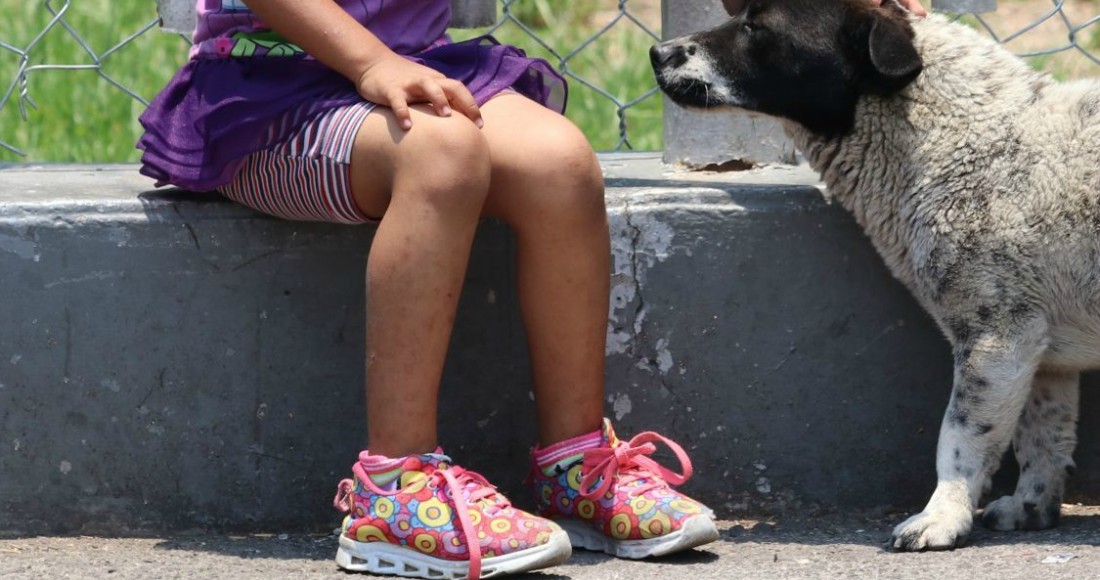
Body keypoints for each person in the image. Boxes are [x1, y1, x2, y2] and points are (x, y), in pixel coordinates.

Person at [137, 1, 720, 579]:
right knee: (444, 153)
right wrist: (369, 63)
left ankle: (575, 467)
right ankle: (393, 488)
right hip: (264, 96)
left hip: (423, 72)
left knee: (559, 165)